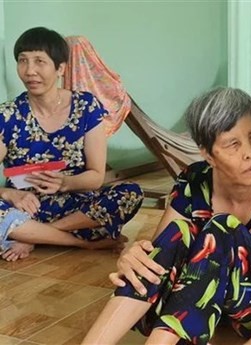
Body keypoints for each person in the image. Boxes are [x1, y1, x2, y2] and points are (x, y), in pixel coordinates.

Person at [82, 87, 251, 345]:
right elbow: (163, 257)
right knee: (173, 239)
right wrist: (135, 259)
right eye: (233, 144)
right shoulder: (194, 180)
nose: (250, 152)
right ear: (208, 154)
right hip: (202, 307)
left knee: (222, 229)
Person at [0, 27, 144, 262]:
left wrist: (65, 182)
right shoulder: (7, 115)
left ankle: (32, 236)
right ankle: (81, 242)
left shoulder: (85, 106)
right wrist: (9, 193)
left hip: (75, 206)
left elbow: (96, 176)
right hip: (24, 207)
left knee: (130, 193)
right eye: (23, 61)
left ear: (60, 68)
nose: (30, 71)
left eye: (39, 61)